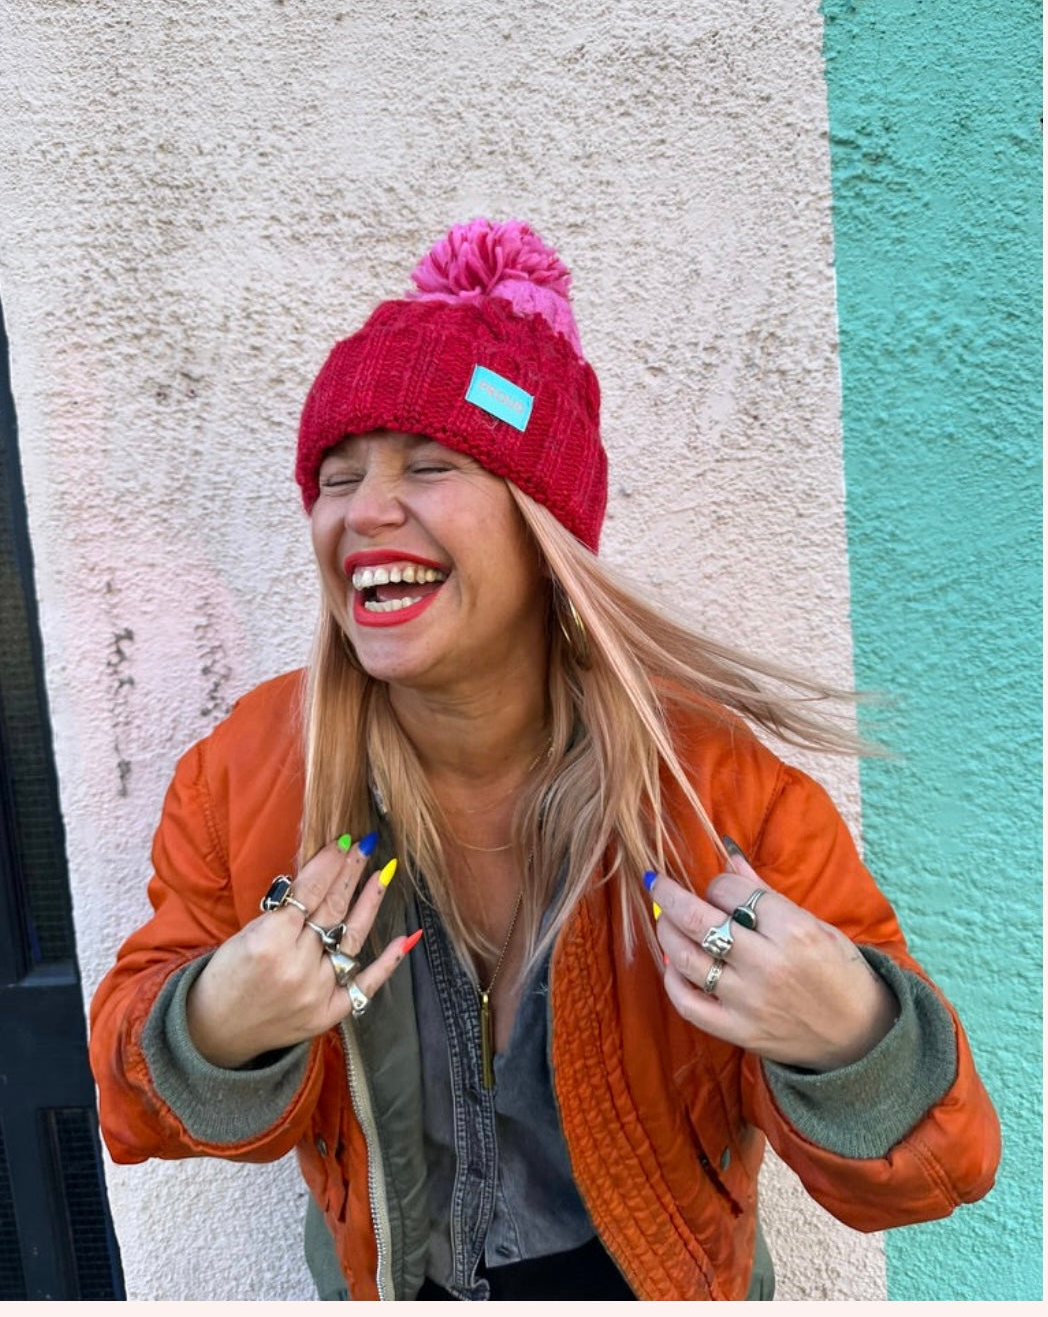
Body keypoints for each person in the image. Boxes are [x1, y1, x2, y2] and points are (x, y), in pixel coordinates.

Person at [89, 217, 999, 1302]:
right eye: (336, 477)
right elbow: (129, 1101)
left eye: (428, 464)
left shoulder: (714, 791)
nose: (364, 511)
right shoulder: (242, 777)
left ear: (542, 526)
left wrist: (850, 1033)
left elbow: (945, 1165)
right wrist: (214, 1025)